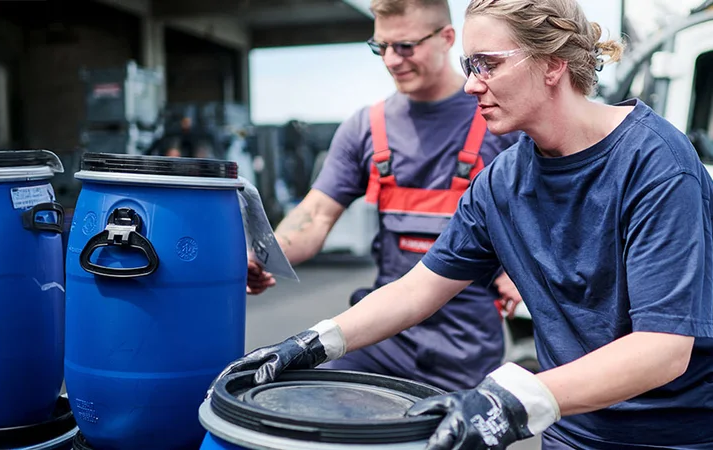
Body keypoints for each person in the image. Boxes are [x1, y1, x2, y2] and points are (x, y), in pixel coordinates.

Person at [216, 0, 713, 448]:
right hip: (572, 428)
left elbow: (661, 350)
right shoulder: (502, 180)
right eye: (469, 67)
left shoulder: (656, 164)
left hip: (669, 437)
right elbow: (416, 291)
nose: (473, 83)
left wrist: (510, 399)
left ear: (553, 64)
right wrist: (310, 344)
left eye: (489, 65)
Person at [247, 0, 522, 393]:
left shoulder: (498, 121)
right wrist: (264, 254)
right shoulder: (366, 127)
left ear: (447, 38)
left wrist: (519, 269)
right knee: (297, 400)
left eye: (405, 46)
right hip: (379, 336)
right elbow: (317, 215)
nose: (392, 60)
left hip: (465, 347)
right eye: (381, 47)